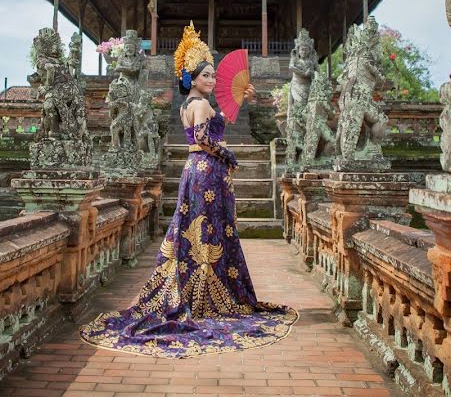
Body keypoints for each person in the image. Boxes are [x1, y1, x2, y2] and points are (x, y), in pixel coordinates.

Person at [80, 22, 297, 358]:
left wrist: (240, 98)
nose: (212, 80)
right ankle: (205, 297)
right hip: (207, 171)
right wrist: (228, 154)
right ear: (193, 79)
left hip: (195, 172)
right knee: (208, 231)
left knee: (199, 229)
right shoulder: (198, 106)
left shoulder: (191, 105)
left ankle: (201, 291)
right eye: (207, 76)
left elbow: (215, 121)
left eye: (213, 75)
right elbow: (203, 139)